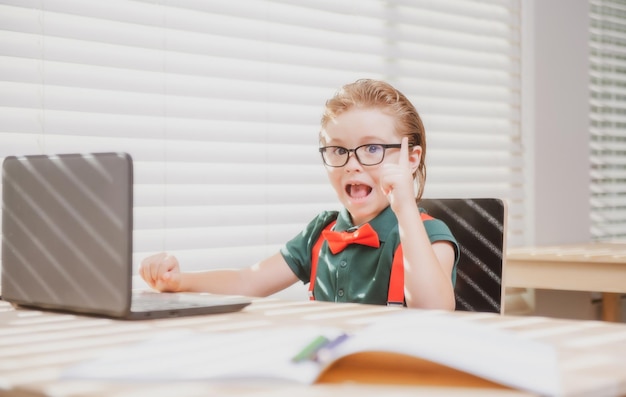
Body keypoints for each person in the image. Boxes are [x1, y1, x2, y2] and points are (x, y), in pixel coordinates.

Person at [140, 79, 459, 310]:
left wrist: (404, 208)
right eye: (338, 149)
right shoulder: (320, 232)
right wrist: (179, 282)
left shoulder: (431, 235)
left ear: (412, 160)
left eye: (372, 148)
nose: (352, 164)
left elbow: (433, 314)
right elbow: (247, 281)